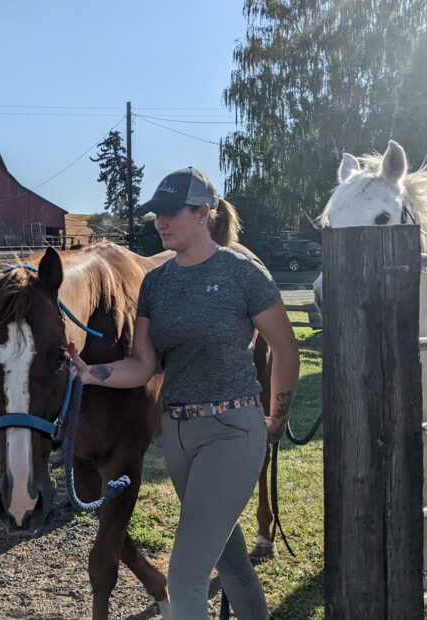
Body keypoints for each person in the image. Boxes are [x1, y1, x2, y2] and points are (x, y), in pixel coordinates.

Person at [67, 168, 300, 619]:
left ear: (203, 214)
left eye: (172, 213)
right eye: (157, 214)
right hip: (178, 435)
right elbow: (143, 365)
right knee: (229, 561)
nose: (161, 222)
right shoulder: (156, 283)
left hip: (232, 430)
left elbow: (285, 348)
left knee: (185, 578)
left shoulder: (242, 273)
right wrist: (90, 372)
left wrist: (277, 418)